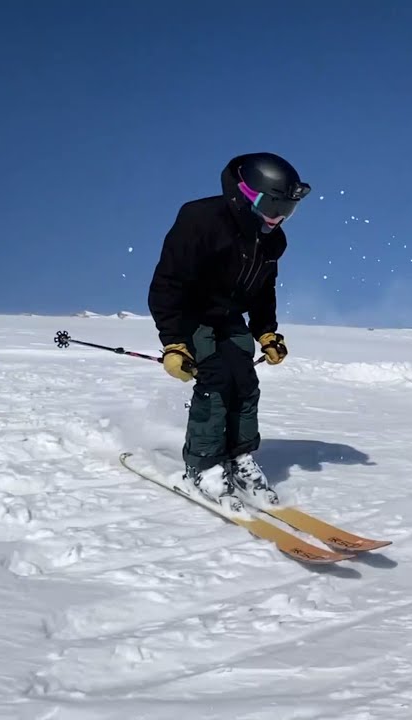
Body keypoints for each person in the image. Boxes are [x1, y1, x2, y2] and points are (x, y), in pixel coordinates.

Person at [147, 152, 311, 507]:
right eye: (272, 204)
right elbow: (167, 284)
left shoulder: (273, 240)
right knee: (216, 380)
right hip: (192, 315)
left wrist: (266, 332)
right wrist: (174, 343)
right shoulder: (200, 220)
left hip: (230, 317)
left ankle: (239, 458)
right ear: (244, 195)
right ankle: (202, 466)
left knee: (245, 384)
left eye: (287, 208)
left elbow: (264, 288)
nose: (279, 216)